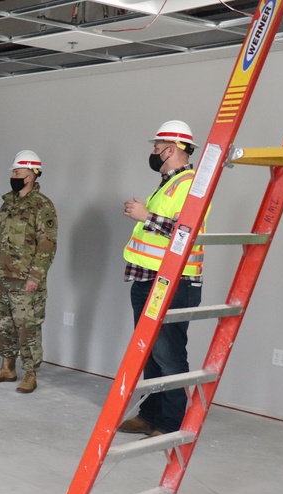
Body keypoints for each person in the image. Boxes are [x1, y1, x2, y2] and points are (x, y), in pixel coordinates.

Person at [117, 120, 204, 437]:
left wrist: (145, 216)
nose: (153, 152)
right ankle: (149, 415)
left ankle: (169, 423)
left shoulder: (191, 184)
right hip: (148, 280)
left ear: (172, 148)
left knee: (168, 356)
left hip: (174, 283)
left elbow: (186, 232)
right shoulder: (169, 184)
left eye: (157, 146)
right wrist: (146, 216)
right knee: (150, 354)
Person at [0, 150, 59, 394]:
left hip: (26, 280)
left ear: (32, 175)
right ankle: (7, 367)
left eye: (17, 172)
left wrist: (36, 277)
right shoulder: (7, 204)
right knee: (3, 326)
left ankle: (30, 373)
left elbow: (47, 245)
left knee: (28, 329)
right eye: (13, 172)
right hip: (5, 278)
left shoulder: (42, 206)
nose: (13, 176)